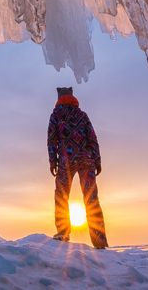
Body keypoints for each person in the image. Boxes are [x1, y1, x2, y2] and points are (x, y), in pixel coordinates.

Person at [47, 86, 108, 248]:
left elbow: (52, 140)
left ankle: (63, 232)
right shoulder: (82, 115)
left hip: (66, 161)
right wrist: (97, 159)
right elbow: (92, 138)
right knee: (91, 198)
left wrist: (53, 161)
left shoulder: (56, 115)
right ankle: (99, 240)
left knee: (61, 196)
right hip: (87, 159)